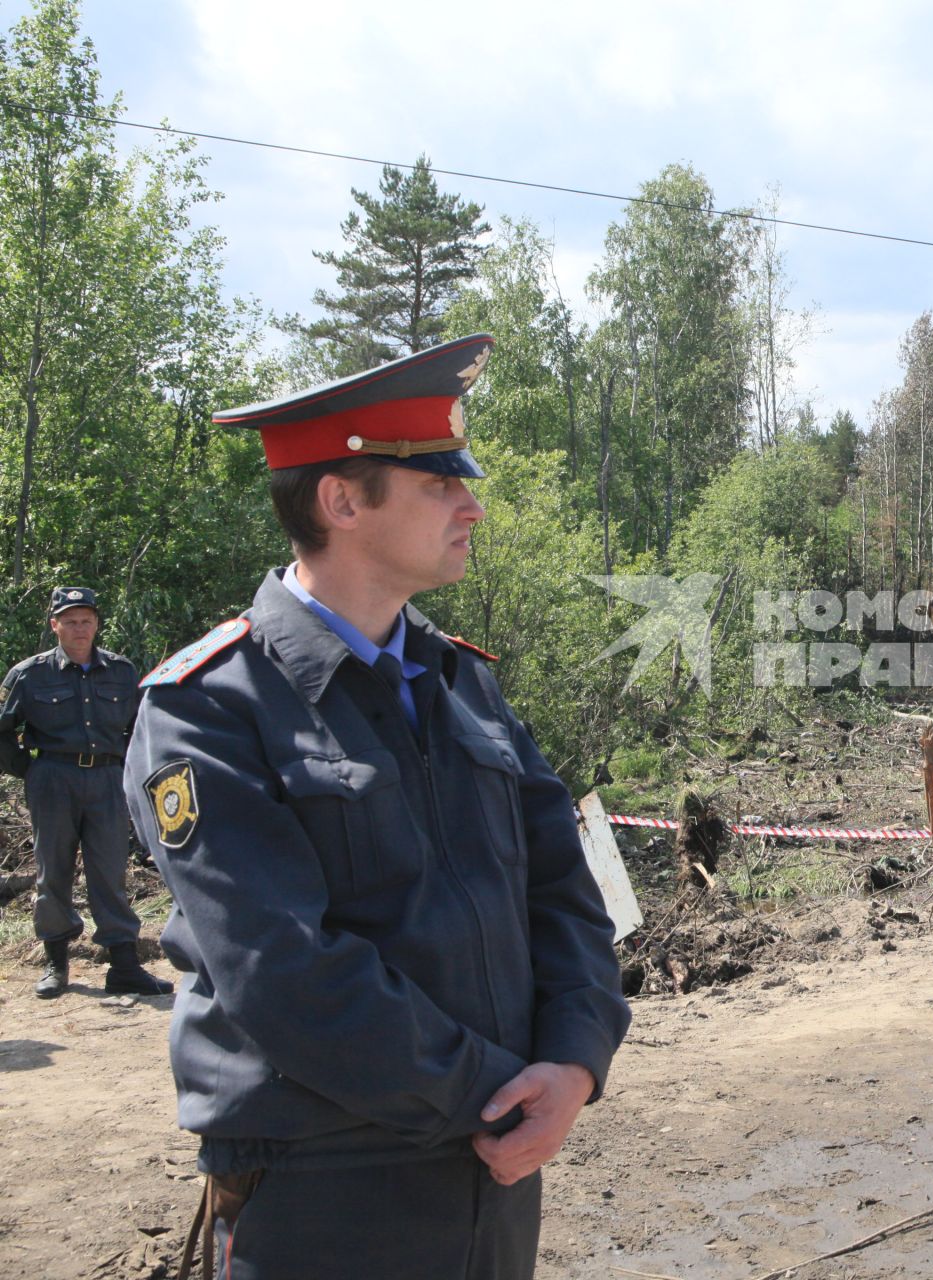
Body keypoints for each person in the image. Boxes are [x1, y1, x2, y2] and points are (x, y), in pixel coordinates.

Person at [125, 334, 631, 1280]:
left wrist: (573, 1061)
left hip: (496, 1169)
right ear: (342, 499)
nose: (472, 503)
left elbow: (567, 892)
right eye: (439, 479)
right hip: (327, 1182)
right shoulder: (206, 706)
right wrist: (498, 1092)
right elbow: (282, 971)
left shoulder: (462, 682)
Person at [0, 586, 172, 999]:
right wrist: (31, 770)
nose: (80, 629)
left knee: (110, 872)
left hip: (107, 781)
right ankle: (56, 964)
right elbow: (3, 731)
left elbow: (140, 728)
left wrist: (133, 772)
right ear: (55, 625)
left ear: (96, 624)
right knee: (53, 871)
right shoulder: (29, 674)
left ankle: (125, 967)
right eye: (70, 621)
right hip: (53, 779)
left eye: (86, 620)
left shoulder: (122, 671)